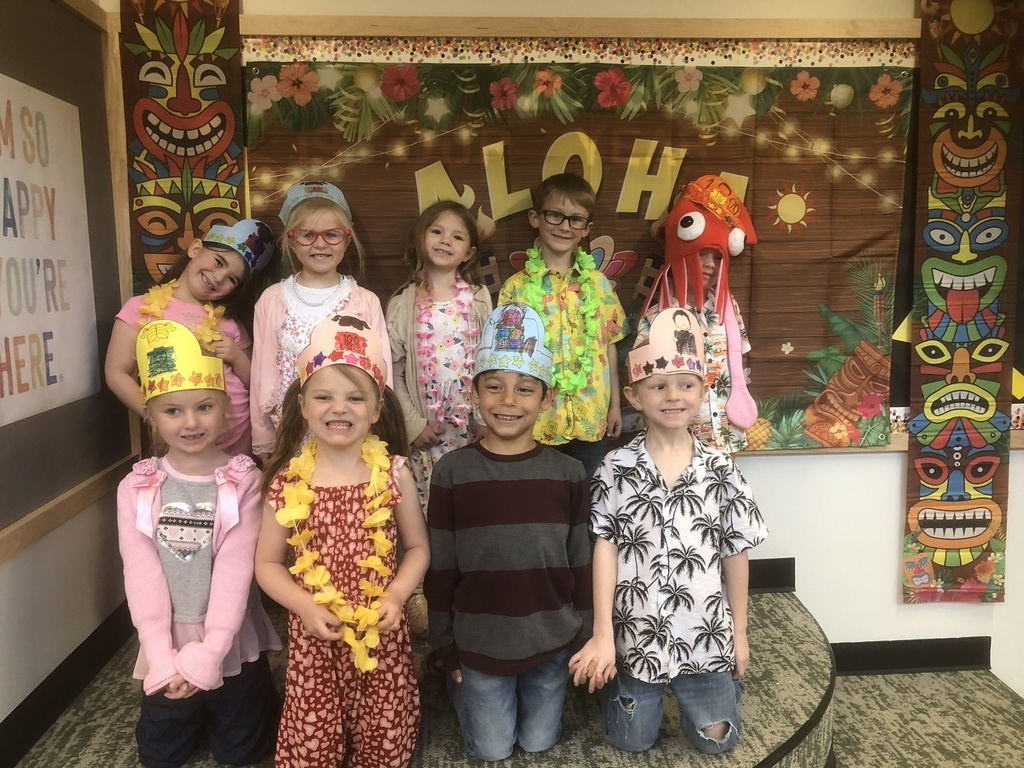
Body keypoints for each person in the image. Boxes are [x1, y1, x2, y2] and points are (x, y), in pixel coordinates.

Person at [569, 307, 768, 755]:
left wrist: (740, 634)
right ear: (634, 395)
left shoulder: (721, 468)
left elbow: (737, 552)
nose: (672, 395)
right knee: (630, 743)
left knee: (719, 743)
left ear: (703, 390)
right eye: (658, 385)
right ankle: (626, 692)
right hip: (635, 638)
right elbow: (605, 549)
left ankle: (713, 691)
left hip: (706, 635)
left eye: (686, 385)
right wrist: (602, 635)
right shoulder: (615, 468)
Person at [255, 315, 429, 768]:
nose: (340, 408)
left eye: (356, 397)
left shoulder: (394, 473)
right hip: (315, 632)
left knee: (383, 738)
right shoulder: (287, 479)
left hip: (380, 629)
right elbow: (268, 565)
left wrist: (395, 594)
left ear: (375, 409)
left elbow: (417, 549)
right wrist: (306, 606)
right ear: (303, 405)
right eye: (324, 396)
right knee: (313, 743)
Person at [424, 302, 593, 762]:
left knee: (539, 743)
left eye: (525, 389)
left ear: (547, 398)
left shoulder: (570, 471)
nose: (508, 401)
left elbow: (581, 558)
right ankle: (459, 687)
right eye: (494, 388)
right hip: (479, 641)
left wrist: (586, 631)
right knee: (493, 751)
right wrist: (444, 644)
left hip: (551, 637)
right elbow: (441, 563)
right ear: (474, 393)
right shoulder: (452, 472)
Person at [116, 319, 281, 768]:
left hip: (230, 638)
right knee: (159, 755)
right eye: (172, 411)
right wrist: (160, 653)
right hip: (165, 637)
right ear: (150, 415)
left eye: (205, 406)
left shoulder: (244, 479)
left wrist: (210, 652)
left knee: (243, 751)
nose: (190, 422)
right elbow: (140, 569)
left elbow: (234, 569)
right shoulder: (137, 485)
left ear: (226, 409)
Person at [105, 219, 276, 457]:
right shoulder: (141, 308)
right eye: (218, 262)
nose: (218, 277)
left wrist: (237, 357)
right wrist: (153, 412)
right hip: (179, 434)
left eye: (231, 279)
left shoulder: (228, 323)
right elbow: (116, 372)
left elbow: (254, 383)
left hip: (236, 436)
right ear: (195, 248)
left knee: (235, 492)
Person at [250, 180, 391, 461]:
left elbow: (382, 374)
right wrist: (264, 440)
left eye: (332, 234)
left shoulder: (365, 301)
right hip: (290, 437)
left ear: (347, 239)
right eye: (306, 235)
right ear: (291, 239)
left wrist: (381, 434)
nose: (320, 244)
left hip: (349, 435)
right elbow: (261, 376)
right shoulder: (272, 299)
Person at [498, 172, 625, 479]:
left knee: (589, 506)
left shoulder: (600, 285)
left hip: (591, 421)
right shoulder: (516, 288)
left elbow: (609, 347)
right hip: (538, 422)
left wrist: (615, 407)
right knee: (543, 506)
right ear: (535, 218)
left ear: (587, 229)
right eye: (555, 215)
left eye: (575, 219)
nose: (564, 226)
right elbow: (507, 361)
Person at [640, 174, 758, 453]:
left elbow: (736, 363)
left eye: (717, 258)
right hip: (678, 441)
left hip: (725, 436)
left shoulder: (728, 309)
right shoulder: (657, 318)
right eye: (702, 254)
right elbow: (645, 381)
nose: (709, 265)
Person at [386, 200, 492, 509]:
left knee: (471, 504)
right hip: (427, 432)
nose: (445, 240)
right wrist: (413, 425)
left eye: (457, 236)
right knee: (430, 508)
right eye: (436, 231)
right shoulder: (403, 303)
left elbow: (491, 363)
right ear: (421, 239)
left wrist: (485, 418)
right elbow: (393, 370)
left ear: (470, 252)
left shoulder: (479, 299)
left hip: (471, 430)